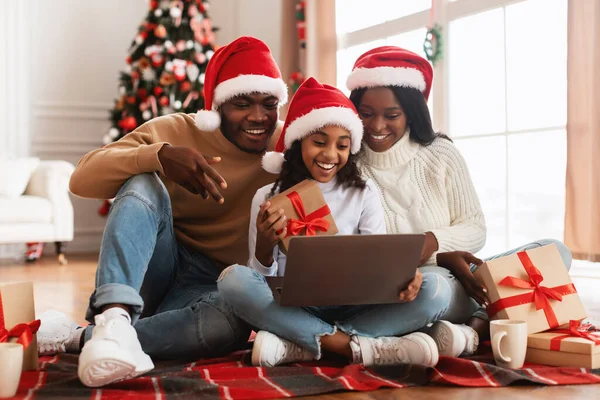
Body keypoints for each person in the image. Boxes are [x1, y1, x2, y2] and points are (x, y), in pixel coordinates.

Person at [35, 36, 289, 388]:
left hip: (213, 286)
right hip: (155, 265)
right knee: (142, 182)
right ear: (217, 107)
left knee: (230, 324)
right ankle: (114, 313)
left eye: (268, 104)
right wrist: (160, 156)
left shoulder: (288, 146)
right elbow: (81, 179)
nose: (257, 116)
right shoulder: (177, 130)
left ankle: (85, 337)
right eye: (242, 103)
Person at [346, 46, 573, 357]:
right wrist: (431, 259)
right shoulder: (348, 165)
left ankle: (468, 328)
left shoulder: (440, 153)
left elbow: (475, 228)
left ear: (411, 113)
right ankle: (474, 323)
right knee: (434, 291)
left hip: (464, 272)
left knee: (554, 252)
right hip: (417, 286)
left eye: (392, 115)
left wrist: (433, 242)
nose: (376, 126)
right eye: (367, 113)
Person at [217, 77, 440, 369]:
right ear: (299, 142)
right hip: (292, 307)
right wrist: (264, 245)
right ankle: (352, 346)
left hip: (355, 307)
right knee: (233, 280)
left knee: (434, 289)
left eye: (342, 145)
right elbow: (260, 279)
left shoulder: (363, 193)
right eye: (319, 142)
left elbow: (379, 261)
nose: (330, 155)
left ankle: (304, 344)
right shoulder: (267, 197)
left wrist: (406, 277)